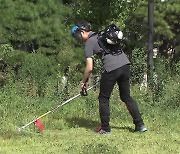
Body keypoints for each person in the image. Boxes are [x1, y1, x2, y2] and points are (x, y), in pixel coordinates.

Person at [71, 21, 147, 134]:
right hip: (125, 65)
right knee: (126, 97)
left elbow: (89, 68)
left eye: (77, 37)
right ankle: (140, 125)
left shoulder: (89, 43)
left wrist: (83, 82)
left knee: (103, 99)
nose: (78, 40)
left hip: (112, 69)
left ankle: (105, 129)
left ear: (82, 32)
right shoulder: (103, 35)